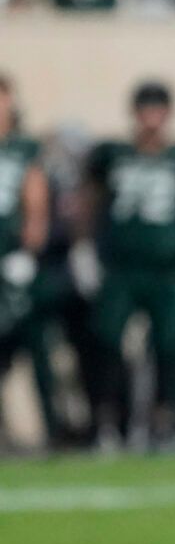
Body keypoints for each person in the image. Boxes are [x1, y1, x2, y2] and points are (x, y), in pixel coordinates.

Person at [77, 81, 175, 450]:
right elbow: (88, 200)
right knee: (106, 341)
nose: (152, 118)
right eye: (146, 109)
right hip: (122, 268)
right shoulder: (113, 154)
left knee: (171, 345)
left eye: (158, 110)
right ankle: (107, 420)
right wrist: (82, 248)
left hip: (169, 270)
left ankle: (165, 418)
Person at [0, 74, 52, 446]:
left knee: (33, 343)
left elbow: (36, 201)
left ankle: (52, 427)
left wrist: (27, 252)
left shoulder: (23, 149)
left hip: (11, 262)